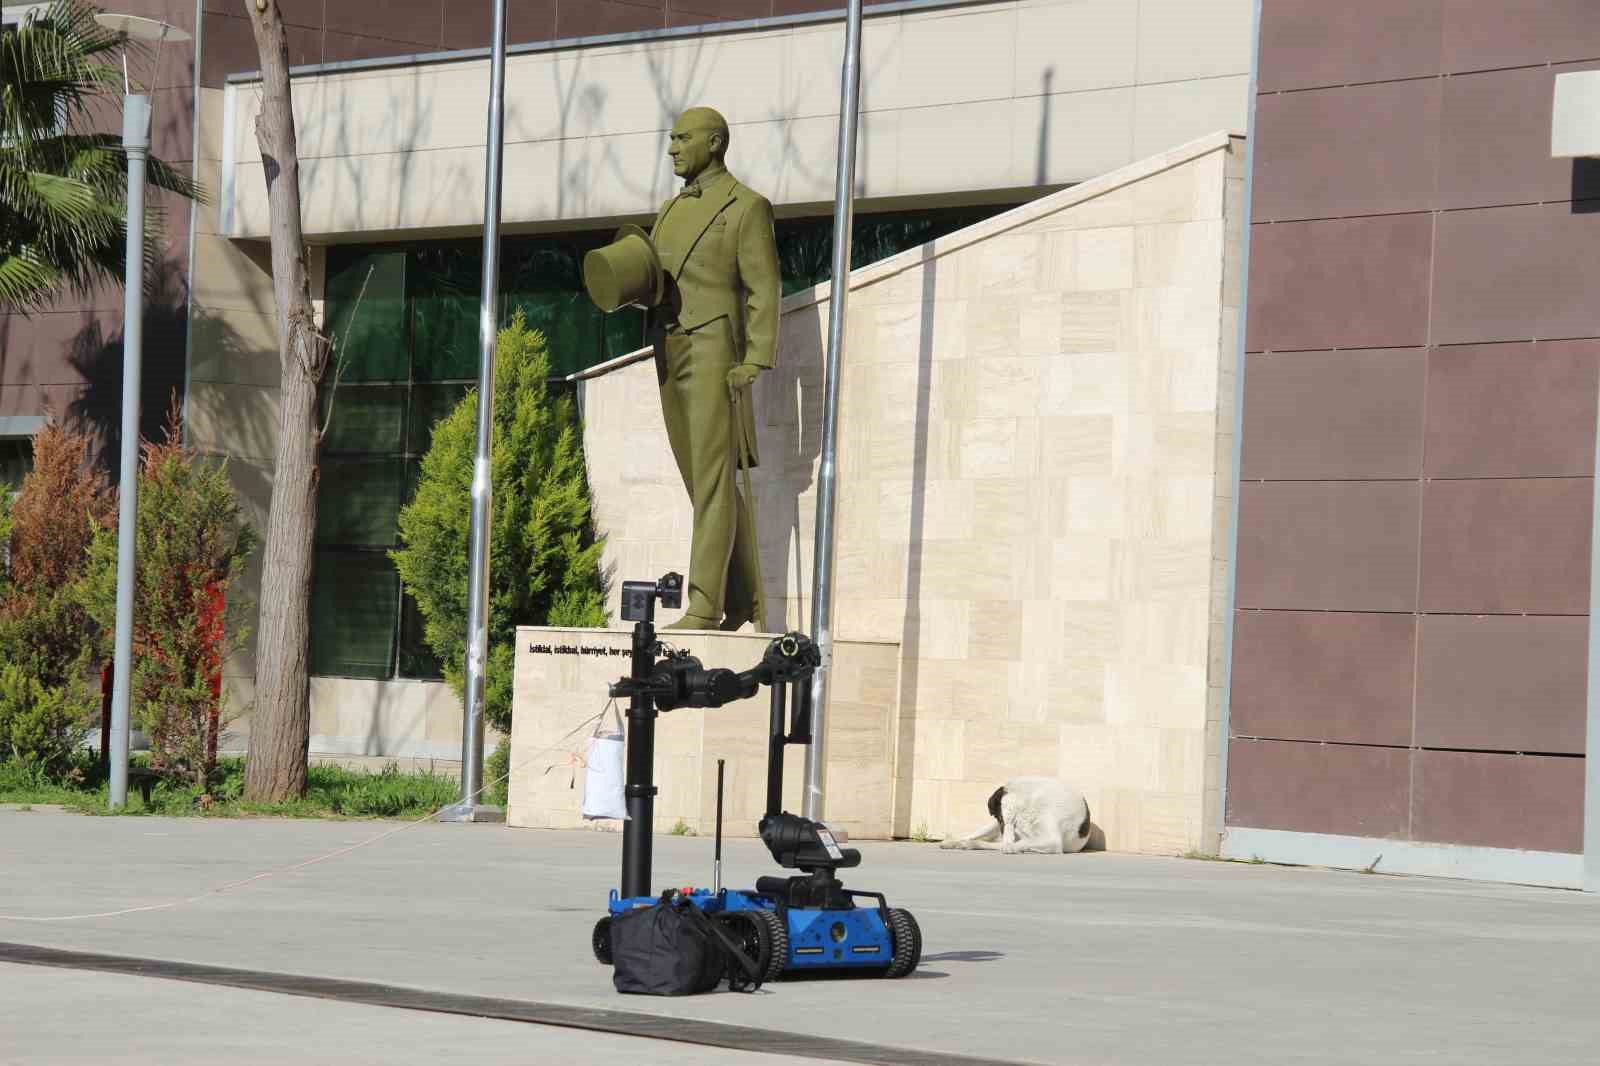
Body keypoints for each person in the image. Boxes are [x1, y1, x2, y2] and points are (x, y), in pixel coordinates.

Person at [643, 106, 780, 631]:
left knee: (715, 478)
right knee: (704, 481)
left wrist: (755, 359)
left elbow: (763, 288)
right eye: (671, 138)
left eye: (683, 138)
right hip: (669, 347)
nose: (673, 147)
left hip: (714, 350)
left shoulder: (746, 207)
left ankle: (705, 604)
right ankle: (744, 600)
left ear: (716, 143)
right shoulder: (670, 208)